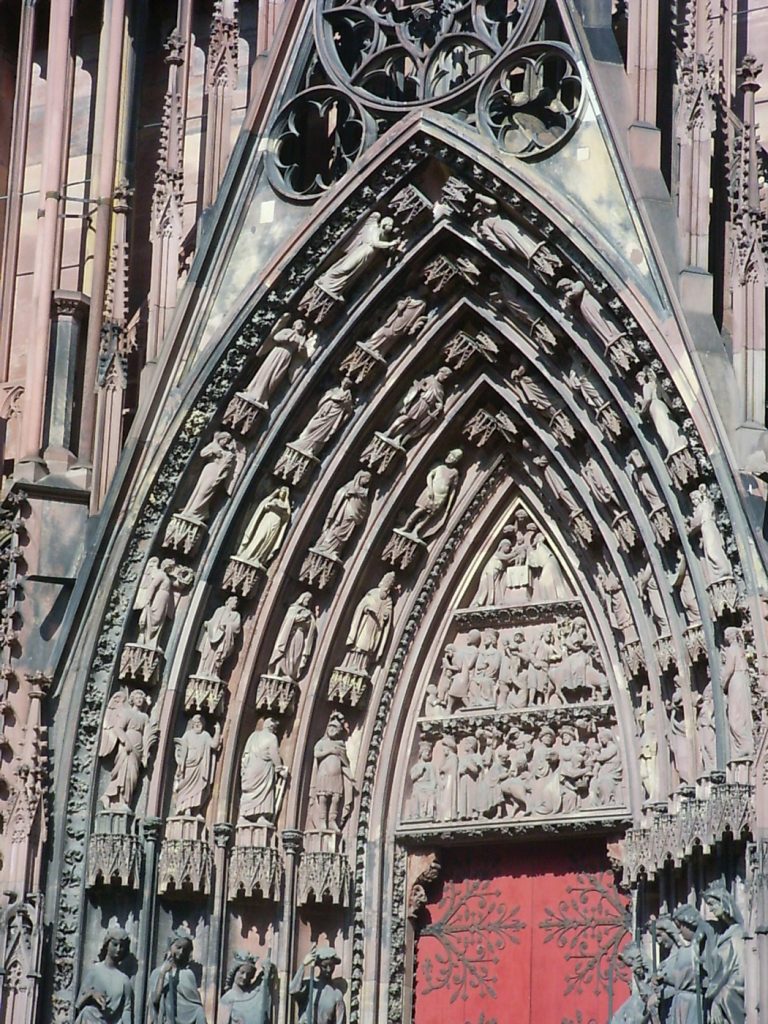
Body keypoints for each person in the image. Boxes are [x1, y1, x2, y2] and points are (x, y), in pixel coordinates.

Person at [316, 213, 399, 301]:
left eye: (391, 226)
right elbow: (375, 243)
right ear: (384, 224)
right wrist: (390, 243)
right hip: (363, 250)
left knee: (353, 273)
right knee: (346, 267)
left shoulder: (385, 237)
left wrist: (392, 247)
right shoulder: (375, 229)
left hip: (368, 256)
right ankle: (327, 280)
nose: (391, 227)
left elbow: (384, 250)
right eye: (389, 225)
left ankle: (337, 288)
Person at [238, 319, 309, 408]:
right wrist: (287, 337)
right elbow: (276, 337)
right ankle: (252, 391)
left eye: (302, 325)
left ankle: (263, 398)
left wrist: (302, 347)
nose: (300, 326)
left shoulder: (301, 338)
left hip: (286, 357)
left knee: (275, 377)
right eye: (299, 324)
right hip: (278, 352)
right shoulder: (288, 331)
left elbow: (303, 355)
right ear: (294, 325)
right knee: (266, 371)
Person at [75, 926, 133, 1024]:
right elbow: (78, 1005)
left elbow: (126, 1010)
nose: (118, 949)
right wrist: (91, 994)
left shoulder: (124, 980)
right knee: (87, 1011)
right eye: (115, 944)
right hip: (92, 1019)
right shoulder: (95, 971)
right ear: (107, 945)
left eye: (122, 946)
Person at [239, 719, 287, 826]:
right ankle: (261, 816)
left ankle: (243, 816)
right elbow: (274, 754)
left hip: (250, 768)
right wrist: (279, 768)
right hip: (263, 768)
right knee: (264, 791)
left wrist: (244, 768)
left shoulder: (253, 736)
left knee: (249, 791)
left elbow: (246, 753)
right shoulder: (272, 738)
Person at [149, 933, 205, 1024]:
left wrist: (199, 1013)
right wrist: (162, 974)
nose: (181, 952)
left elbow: (195, 1003)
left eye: (185, 949)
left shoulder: (188, 974)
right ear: (171, 947)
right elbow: (154, 1000)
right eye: (178, 947)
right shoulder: (157, 973)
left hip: (187, 1016)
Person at [173, 715, 222, 816]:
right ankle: (186, 808)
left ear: (203, 725)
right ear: (192, 724)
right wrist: (180, 766)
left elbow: (214, 745)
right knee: (186, 788)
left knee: (200, 788)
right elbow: (182, 750)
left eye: (199, 723)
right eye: (195, 723)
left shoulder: (205, 735)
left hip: (200, 767)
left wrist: (217, 732)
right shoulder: (187, 735)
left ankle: (196, 810)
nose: (197, 725)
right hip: (189, 765)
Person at [236, 488, 291, 568]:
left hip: (276, 523)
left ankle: (260, 557)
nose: (282, 494)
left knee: (268, 541)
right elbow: (264, 506)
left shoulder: (285, 505)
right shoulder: (274, 500)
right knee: (260, 537)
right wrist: (272, 497)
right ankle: (248, 554)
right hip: (267, 519)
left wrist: (286, 502)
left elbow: (287, 515)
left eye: (285, 493)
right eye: (282, 492)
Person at [289, 946, 346, 1024]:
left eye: (331, 965)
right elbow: (293, 990)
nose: (329, 969)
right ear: (319, 965)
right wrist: (303, 965)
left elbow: (340, 1022)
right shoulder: (310, 984)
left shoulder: (337, 994)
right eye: (325, 966)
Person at [268, 592, 317, 682]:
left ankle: (290, 674)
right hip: (290, 635)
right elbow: (289, 619)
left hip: (300, 635)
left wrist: (310, 620)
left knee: (295, 655)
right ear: (302, 599)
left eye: (309, 600)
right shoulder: (293, 608)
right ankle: (277, 671)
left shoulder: (309, 613)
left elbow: (311, 627)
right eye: (307, 599)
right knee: (284, 651)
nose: (308, 601)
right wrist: (299, 618)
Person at [220, 954, 274, 1024]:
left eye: (248, 974)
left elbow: (264, 982)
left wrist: (267, 969)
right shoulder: (227, 999)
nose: (245, 977)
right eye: (242, 972)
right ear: (234, 972)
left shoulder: (254, 993)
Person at [197, 596, 242, 679]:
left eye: (237, 603)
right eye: (234, 602)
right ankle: (203, 671)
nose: (235, 604)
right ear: (228, 602)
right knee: (207, 654)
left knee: (218, 655)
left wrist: (227, 626)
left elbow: (237, 627)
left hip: (224, 639)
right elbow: (213, 621)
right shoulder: (220, 610)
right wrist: (208, 624)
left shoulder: (236, 615)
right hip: (213, 636)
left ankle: (214, 673)